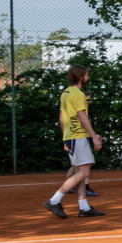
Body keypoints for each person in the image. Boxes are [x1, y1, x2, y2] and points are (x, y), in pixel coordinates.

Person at [44, 64, 104, 219]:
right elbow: (82, 118)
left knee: (79, 173)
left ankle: (84, 207)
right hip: (78, 137)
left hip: (71, 137)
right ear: (80, 77)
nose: (87, 77)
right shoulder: (78, 94)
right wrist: (94, 136)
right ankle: (54, 200)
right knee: (84, 172)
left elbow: (61, 118)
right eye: (86, 75)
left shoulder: (65, 93)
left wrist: (65, 137)